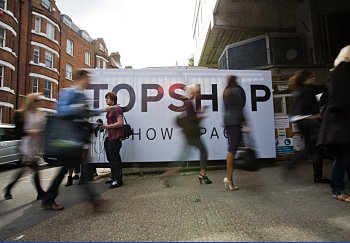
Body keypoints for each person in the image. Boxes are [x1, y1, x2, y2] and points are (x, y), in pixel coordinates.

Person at [41, 70, 111, 211]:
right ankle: (94, 200)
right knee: (79, 169)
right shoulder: (69, 92)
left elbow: (85, 113)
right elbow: (61, 110)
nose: (89, 82)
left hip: (76, 140)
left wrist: (102, 110)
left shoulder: (82, 95)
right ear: (81, 78)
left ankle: (49, 199)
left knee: (67, 170)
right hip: (68, 140)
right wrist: (78, 107)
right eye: (88, 79)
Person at [160, 84, 212, 185]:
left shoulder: (192, 103)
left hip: (190, 134)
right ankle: (202, 174)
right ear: (193, 93)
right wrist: (201, 116)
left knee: (183, 157)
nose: (199, 94)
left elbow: (192, 118)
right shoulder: (190, 104)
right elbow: (192, 119)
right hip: (192, 134)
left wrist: (200, 113)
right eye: (197, 92)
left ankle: (167, 174)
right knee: (203, 151)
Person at [318, 45, 350, 201]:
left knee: (344, 157)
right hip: (341, 124)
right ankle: (337, 190)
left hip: (339, 123)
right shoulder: (343, 70)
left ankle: (338, 189)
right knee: (343, 157)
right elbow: (339, 98)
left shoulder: (337, 71)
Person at [287, 70, 329, 183]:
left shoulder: (298, 90)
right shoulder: (308, 90)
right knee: (315, 149)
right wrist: (315, 115)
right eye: (312, 77)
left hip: (301, 123)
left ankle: (292, 166)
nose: (314, 78)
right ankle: (318, 176)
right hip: (309, 123)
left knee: (311, 149)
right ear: (306, 79)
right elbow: (306, 109)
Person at [4, 93, 45, 200]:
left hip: (36, 144)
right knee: (35, 168)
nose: (39, 102)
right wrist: (32, 131)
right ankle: (40, 192)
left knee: (23, 170)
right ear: (31, 101)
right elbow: (18, 132)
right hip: (26, 145)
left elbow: (41, 129)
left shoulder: (39, 114)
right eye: (37, 100)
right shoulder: (21, 114)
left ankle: (9, 188)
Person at [222, 75, 245, 191]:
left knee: (232, 149)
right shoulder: (237, 90)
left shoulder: (226, 91)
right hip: (235, 122)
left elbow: (226, 109)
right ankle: (228, 178)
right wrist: (244, 120)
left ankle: (230, 180)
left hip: (229, 122)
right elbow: (240, 106)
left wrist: (226, 124)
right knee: (232, 150)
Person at [101, 91, 124, 189]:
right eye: (106, 98)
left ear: (113, 99)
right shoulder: (109, 110)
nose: (106, 100)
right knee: (110, 158)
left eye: (108, 98)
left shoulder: (117, 109)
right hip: (109, 137)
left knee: (115, 159)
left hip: (115, 138)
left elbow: (120, 123)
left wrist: (106, 126)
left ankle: (118, 180)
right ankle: (113, 177)